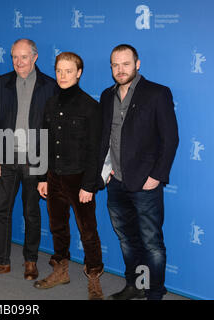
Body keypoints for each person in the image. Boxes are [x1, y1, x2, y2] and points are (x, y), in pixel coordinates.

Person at [97, 44, 179, 300]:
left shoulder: (157, 93)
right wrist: (105, 170)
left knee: (152, 243)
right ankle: (135, 284)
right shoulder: (106, 96)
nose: (120, 70)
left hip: (146, 184)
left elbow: (170, 139)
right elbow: (104, 138)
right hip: (116, 182)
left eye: (125, 64)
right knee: (127, 240)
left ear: (137, 64)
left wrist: (156, 176)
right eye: (115, 65)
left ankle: (155, 292)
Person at [0, 39, 57, 280]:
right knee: (1, 210)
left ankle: (30, 260)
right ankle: (0, 260)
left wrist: (46, 171)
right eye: (14, 57)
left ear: (35, 57)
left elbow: (53, 130)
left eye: (23, 57)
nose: (18, 62)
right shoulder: (2, 83)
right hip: (6, 157)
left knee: (31, 212)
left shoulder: (50, 86)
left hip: (35, 159)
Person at [35, 52, 104, 300]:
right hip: (53, 176)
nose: (62, 76)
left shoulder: (90, 106)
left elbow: (95, 149)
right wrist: (42, 177)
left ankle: (94, 277)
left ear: (79, 73)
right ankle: (61, 270)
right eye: (58, 70)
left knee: (88, 230)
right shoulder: (50, 104)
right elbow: (44, 142)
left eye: (68, 71)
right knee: (58, 227)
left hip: (79, 179)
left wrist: (89, 185)